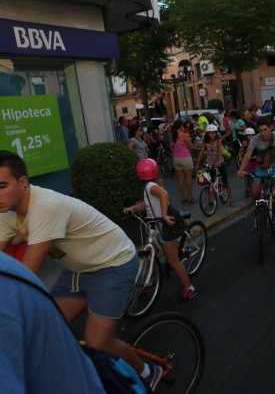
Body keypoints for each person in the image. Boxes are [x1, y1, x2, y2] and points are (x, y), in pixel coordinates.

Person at [0, 151, 162, 390]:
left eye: (2, 185)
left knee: (99, 343)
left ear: (23, 182)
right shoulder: (6, 211)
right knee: (47, 330)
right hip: (78, 268)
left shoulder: (45, 207)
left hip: (113, 263)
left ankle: (148, 372)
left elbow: (27, 277)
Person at [0, 253, 106, 393]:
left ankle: (144, 371)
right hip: (78, 268)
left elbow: (34, 258)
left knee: (99, 343)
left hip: (109, 265)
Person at [123, 159, 198, 300]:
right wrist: (132, 208)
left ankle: (190, 288)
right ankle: (150, 281)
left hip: (165, 226)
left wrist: (163, 215)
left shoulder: (150, 186)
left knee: (173, 261)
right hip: (156, 226)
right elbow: (146, 205)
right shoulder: (150, 186)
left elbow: (164, 194)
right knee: (153, 250)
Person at [237, 116, 275, 230]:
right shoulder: (255, 139)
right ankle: (259, 211)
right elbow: (247, 155)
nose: (263, 133)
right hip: (262, 169)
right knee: (255, 192)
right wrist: (241, 170)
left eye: (265, 130)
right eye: (260, 130)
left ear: (270, 128)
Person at [196, 124, 234, 207]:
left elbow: (220, 151)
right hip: (210, 163)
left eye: (213, 133)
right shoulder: (205, 141)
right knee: (210, 182)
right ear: (207, 133)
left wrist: (219, 160)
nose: (212, 135)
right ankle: (210, 201)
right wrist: (197, 164)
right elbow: (201, 152)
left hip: (219, 162)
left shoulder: (218, 139)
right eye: (210, 133)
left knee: (225, 182)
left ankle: (231, 199)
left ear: (216, 133)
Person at [171, 119, 196, 204]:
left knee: (180, 179)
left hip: (176, 159)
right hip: (185, 158)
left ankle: (183, 197)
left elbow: (172, 148)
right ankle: (190, 197)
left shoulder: (173, 136)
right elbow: (191, 147)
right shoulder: (185, 135)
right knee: (188, 179)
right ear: (181, 126)